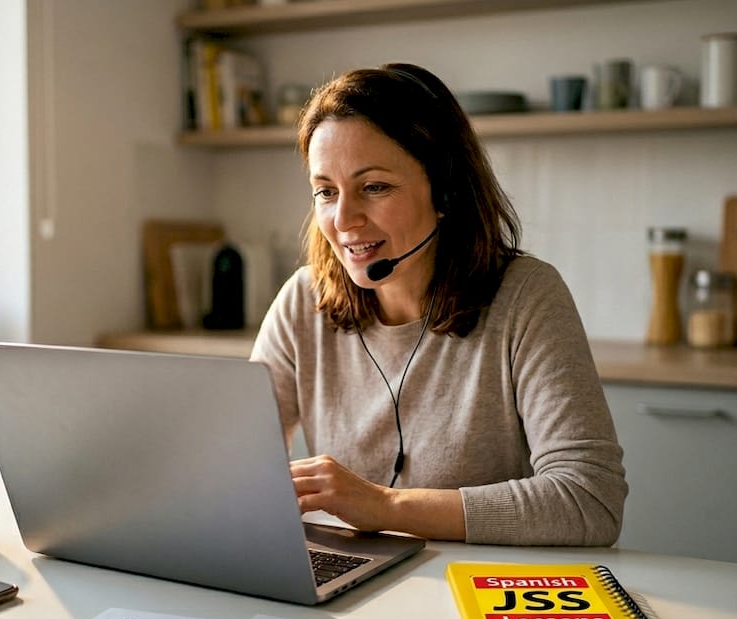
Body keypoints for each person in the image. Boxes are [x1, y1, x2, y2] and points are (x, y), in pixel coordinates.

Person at [249, 63, 626, 546]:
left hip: (482, 587)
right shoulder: (302, 302)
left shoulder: (526, 296)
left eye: (374, 187)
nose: (343, 219)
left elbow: (588, 501)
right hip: (353, 588)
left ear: (445, 191)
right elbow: (240, 472)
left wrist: (386, 507)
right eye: (326, 191)